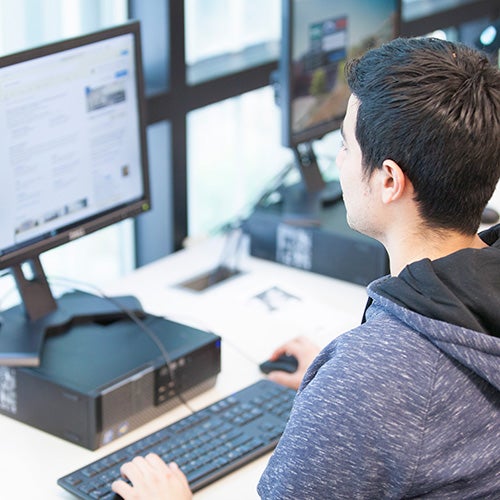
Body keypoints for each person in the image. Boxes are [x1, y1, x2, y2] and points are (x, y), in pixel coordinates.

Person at [112, 36, 500, 499]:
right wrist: (339, 394)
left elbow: (399, 389)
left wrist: (355, 393)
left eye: (345, 145)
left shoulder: (372, 382)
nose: (339, 160)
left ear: (390, 180)